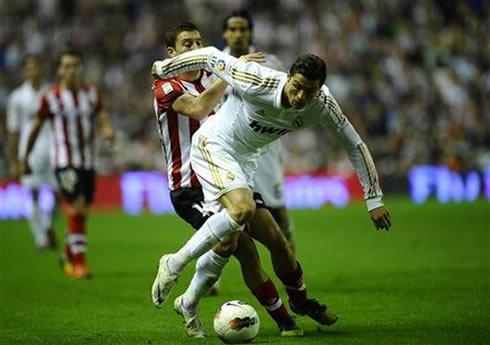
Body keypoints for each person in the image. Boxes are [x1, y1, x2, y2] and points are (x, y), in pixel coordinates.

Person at [152, 45, 392, 320]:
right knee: (242, 212)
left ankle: (300, 302)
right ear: (288, 76)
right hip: (214, 147)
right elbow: (208, 55)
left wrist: (373, 198)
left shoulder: (322, 104)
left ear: (320, 89)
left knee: (277, 242)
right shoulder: (257, 79)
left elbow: (355, 144)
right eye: (297, 86)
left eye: (310, 91)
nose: (301, 96)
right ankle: (175, 262)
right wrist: (163, 68)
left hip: (245, 163)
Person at [152, 22, 302, 338]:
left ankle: (189, 300)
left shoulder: (213, 75)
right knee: (241, 246)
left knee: (274, 236)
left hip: (231, 176)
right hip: (190, 185)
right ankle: (284, 321)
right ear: (173, 53)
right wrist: (229, 72)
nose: (194, 49)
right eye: (186, 45)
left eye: (198, 43)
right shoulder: (166, 87)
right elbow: (198, 108)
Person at [22, 50, 114, 279]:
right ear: (59, 70)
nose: (72, 70)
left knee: (82, 211)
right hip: (64, 161)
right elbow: (34, 128)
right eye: (67, 66)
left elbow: (101, 115)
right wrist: (25, 158)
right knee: (79, 205)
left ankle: (67, 254)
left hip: (88, 161)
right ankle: (79, 265)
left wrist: (107, 129)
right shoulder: (50, 97)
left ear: (81, 68)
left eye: (76, 65)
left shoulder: (91, 93)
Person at [222, 10, 295, 251]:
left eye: (243, 29)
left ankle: (291, 257)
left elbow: (285, 102)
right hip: (229, 151)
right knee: (226, 213)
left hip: (265, 150)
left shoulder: (269, 63)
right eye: (232, 29)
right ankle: (213, 277)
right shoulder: (215, 64)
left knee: (278, 210)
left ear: (251, 33)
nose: (238, 34)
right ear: (225, 33)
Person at [7, 55, 58, 251]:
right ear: (25, 71)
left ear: (41, 69)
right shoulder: (17, 97)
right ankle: (40, 238)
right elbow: (13, 131)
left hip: (53, 148)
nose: (33, 71)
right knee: (33, 194)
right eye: (29, 68)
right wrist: (14, 159)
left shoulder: (51, 93)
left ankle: (46, 226)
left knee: (59, 194)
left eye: (36, 67)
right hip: (29, 151)